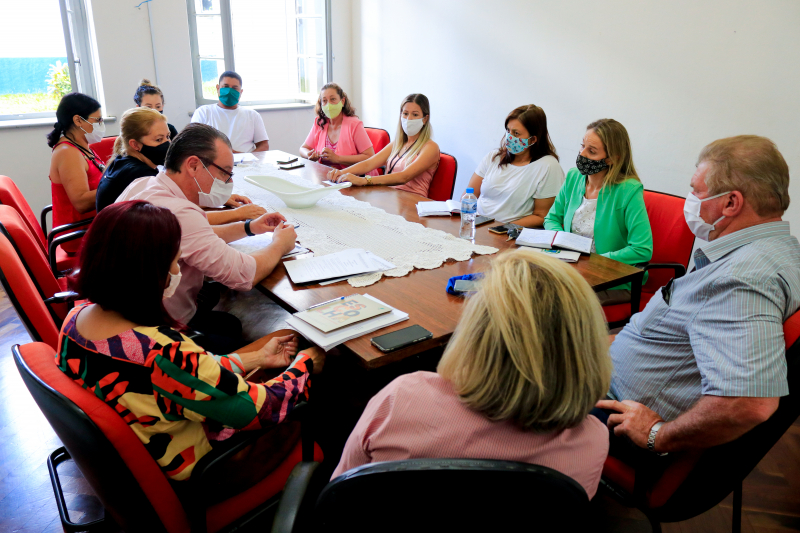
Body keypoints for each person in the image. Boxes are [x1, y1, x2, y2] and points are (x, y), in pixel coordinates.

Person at [57, 200, 324, 496]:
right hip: (207, 474)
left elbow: (181, 379)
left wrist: (254, 358)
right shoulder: (161, 350)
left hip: (130, 468)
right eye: (173, 260)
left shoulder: (74, 319)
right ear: (147, 271)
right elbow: (257, 410)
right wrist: (306, 365)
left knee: (271, 352)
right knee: (319, 388)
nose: (177, 269)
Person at [333, 248, 612, 498]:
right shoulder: (591, 442)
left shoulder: (400, 399)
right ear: (587, 347)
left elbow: (340, 497)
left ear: (474, 331)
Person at [597, 135, 800, 460]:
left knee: (502, 372)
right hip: (615, 385)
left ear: (731, 203)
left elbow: (751, 403)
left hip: (614, 413)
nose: (689, 200)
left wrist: (656, 435)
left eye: (696, 190)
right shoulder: (781, 250)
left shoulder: (743, 278)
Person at [116, 123, 296, 354]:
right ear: (193, 165)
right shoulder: (179, 212)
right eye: (225, 172)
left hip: (127, 314)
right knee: (234, 336)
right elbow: (243, 274)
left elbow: (193, 237)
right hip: (157, 333)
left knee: (229, 324)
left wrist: (249, 227)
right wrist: (280, 244)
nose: (228, 182)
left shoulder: (144, 184)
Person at [544, 119, 652, 305]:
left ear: (612, 158)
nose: (582, 154)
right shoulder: (574, 177)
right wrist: (562, 240)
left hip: (611, 278)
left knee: (553, 300)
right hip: (573, 267)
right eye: (582, 146)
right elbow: (552, 218)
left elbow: (642, 249)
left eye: (591, 151)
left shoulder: (628, 190)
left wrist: (594, 261)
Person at [96, 107, 265, 224]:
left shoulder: (124, 160)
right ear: (135, 144)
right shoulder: (139, 175)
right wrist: (237, 215)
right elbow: (179, 217)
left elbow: (175, 203)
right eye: (158, 140)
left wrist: (218, 199)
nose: (168, 144)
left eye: (168, 137)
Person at [467, 105, 564, 227]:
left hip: (508, 234)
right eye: (508, 131)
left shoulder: (548, 166)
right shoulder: (494, 157)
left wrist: (502, 228)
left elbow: (542, 216)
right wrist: (467, 218)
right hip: (476, 225)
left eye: (516, 133)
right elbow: (470, 194)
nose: (509, 137)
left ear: (533, 139)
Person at [327, 93, 440, 197]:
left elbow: (404, 176)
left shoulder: (430, 147)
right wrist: (341, 173)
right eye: (405, 114)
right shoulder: (398, 143)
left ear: (425, 119)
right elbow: (369, 164)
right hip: (390, 197)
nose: (408, 119)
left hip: (412, 202)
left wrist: (365, 180)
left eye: (415, 115)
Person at [47, 92, 106, 254]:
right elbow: (81, 203)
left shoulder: (82, 146)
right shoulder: (68, 153)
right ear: (78, 120)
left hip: (94, 226)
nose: (101, 124)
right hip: (80, 235)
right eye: (98, 120)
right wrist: (118, 185)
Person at [299, 82, 377, 175]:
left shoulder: (354, 124)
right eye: (324, 101)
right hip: (328, 177)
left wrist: (337, 158)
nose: (328, 104)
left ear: (342, 101)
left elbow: (369, 156)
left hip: (355, 178)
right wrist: (309, 155)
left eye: (333, 99)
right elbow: (303, 148)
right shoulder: (320, 123)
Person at [190, 71, 269, 153]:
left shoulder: (252, 115)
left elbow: (263, 145)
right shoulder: (203, 112)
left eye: (234, 88)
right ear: (218, 88)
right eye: (225, 86)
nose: (229, 91)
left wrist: (246, 157)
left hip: (246, 163)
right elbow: (193, 143)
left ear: (240, 92)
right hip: (212, 162)